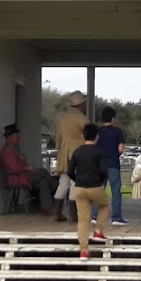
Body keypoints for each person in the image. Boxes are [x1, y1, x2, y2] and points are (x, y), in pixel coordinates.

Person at [67, 122, 110, 260]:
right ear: (96, 136)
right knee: (105, 205)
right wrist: (99, 181)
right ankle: (98, 229)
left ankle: (84, 250)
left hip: (79, 188)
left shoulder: (77, 151)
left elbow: (69, 171)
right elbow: (103, 171)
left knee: (83, 220)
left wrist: (78, 180)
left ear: (83, 136)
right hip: (95, 186)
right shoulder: (99, 152)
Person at [0, 124, 58, 213]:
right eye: (16, 135)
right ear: (9, 137)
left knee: (43, 182)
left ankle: (46, 207)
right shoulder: (7, 151)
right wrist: (27, 168)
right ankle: (56, 187)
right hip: (18, 177)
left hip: (22, 175)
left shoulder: (13, 149)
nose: (18, 137)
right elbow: (14, 168)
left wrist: (27, 167)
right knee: (42, 171)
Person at [52, 90, 88, 223]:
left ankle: (57, 212)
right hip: (77, 152)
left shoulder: (62, 118)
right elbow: (89, 134)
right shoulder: (81, 118)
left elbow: (58, 138)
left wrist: (60, 151)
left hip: (63, 152)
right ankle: (73, 214)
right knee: (75, 182)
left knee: (63, 182)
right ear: (81, 104)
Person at [95, 106, 127, 225]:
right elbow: (120, 149)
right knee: (116, 192)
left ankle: (95, 216)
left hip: (99, 165)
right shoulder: (117, 131)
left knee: (98, 190)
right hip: (113, 163)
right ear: (113, 118)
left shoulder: (97, 131)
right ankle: (116, 218)